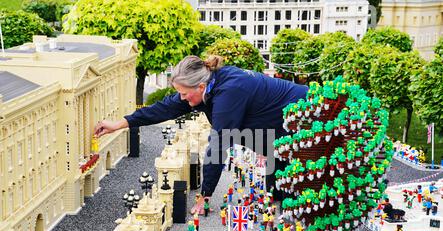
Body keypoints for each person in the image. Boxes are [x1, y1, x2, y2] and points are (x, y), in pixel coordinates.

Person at [94, 55, 308, 203]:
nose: (182, 98)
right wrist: (119, 124)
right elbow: (162, 109)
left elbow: (218, 145)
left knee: (302, 195)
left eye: (185, 93)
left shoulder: (229, 92)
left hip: (306, 120)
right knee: (277, 194)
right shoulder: (203, 86)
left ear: (201, 87)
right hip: (275, 138)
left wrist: (205, 194)